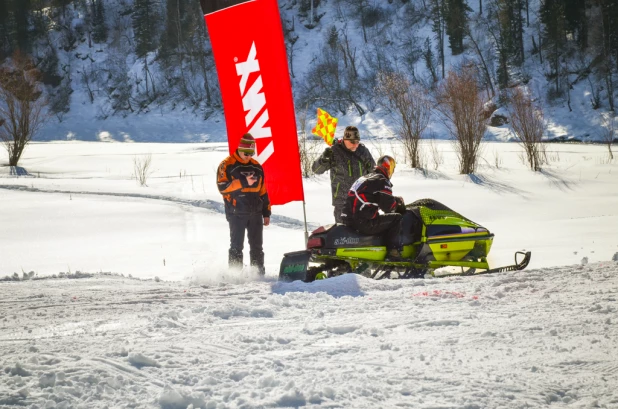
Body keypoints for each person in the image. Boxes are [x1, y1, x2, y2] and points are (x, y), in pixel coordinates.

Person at [217, 133, 271, 274]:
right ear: (239, 148)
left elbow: (263, 191)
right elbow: (222, 188)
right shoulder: (227, 164)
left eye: (251, 153)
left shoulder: (257, 166)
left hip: (256, 213)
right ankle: (235, 276)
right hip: (236, 212)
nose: (248, 156)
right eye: (246, 152)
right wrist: (243, 182)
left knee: (257, 247)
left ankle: (258, 274)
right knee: (236, 246)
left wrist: (266, 212)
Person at [341, 155, 405, 261]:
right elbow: (389, 208)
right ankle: (394, 253)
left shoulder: (365, 178)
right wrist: (398, 204)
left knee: (378, 216)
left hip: (348, 219)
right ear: (389, 168)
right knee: (396, 218)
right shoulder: (382, 181)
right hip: (364, 222)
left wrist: (393, 199)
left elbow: (373, 197)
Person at [312, 126, 375, 224]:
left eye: (357, 141)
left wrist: (370, 166)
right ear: (345, 139)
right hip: (342, 202)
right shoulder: (334, 151)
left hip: (362, 200)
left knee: (364, 234)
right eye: (352, 142)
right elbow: (316, 170)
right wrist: (323, 160)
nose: (355, 145)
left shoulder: (363, 151)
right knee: (344, 234)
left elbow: (373, 172)